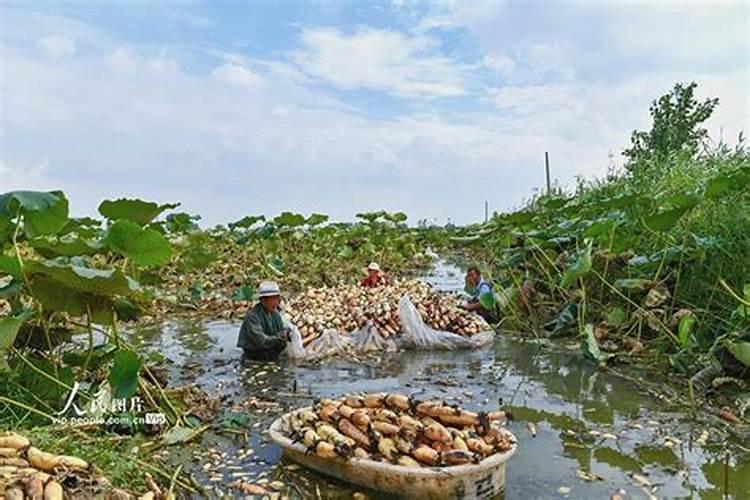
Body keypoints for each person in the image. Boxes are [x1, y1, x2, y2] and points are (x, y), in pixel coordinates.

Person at [237, 280, 289, 361]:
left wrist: (286, 333)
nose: (276, 302)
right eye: (273, 299)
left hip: (270, 350)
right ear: (263, 301)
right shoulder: (253, 317)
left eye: (277, 298)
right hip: (255, 354)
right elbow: (262, 341)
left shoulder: (275, 313)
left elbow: (280, 330)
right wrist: (280, 338)